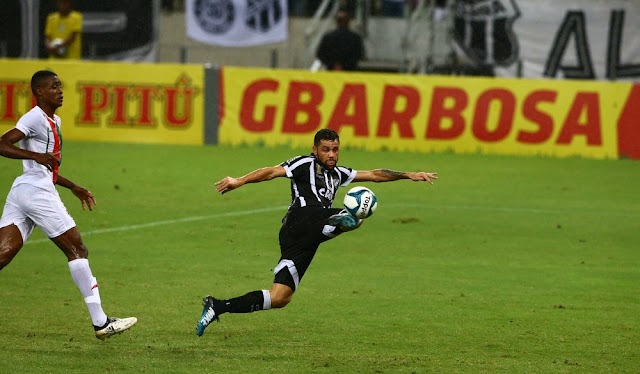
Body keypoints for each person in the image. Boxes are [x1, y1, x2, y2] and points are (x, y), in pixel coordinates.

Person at [196, 128, 438, 336]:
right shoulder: (304, 164)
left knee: (280, 298)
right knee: (356, 214)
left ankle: (217, 306)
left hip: (307, 239)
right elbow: (271, 171)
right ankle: (345, 220)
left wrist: (409, 175)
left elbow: (374, 175)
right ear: (315, 150)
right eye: (325, 149)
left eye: (335, 149)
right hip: (299, 221)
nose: (331, 154)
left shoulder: (339, 174)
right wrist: (239, 180)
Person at [0, 70, 137, 340]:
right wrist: (34, 155)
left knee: (3, 254)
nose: (60, 90)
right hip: (36, 192)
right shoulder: (34, 117)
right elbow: (2, 143)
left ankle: (101, 322)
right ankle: (101, 323)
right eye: (53, 87)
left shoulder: (54, 119)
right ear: (39, 92)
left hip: (25, 191)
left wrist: (72, 185)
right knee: (78, 249)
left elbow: (45, 166)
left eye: (60, 86)